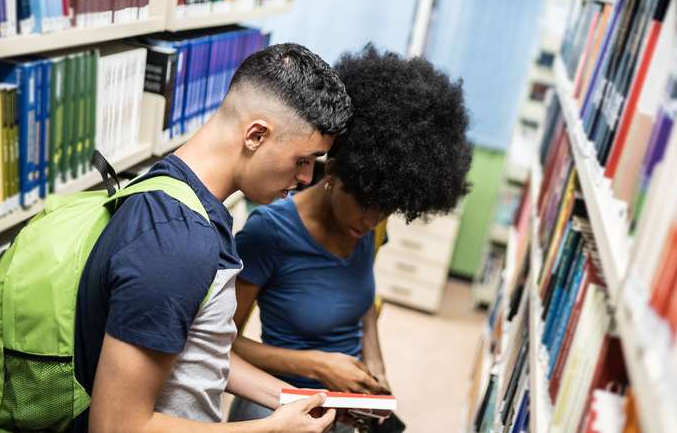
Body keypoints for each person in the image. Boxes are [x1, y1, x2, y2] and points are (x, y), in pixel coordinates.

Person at [73, 43, 353, 432]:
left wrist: (294, 401)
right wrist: (270, 429)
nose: (307, 178)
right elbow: (117, 426)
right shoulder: (177, 243)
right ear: (256, 135)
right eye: (302, 160)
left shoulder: (184, 195)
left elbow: (198, 348)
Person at [228, 45, 473, 429]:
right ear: (337, 170)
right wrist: (317, 365)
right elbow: (223, 346)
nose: (373, 221)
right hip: (279, 407)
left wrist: (374, 361)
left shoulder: (369, 230)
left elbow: (364, 305)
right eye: (366, 203)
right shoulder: (269, 232)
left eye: (388, 209)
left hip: (345, 408)